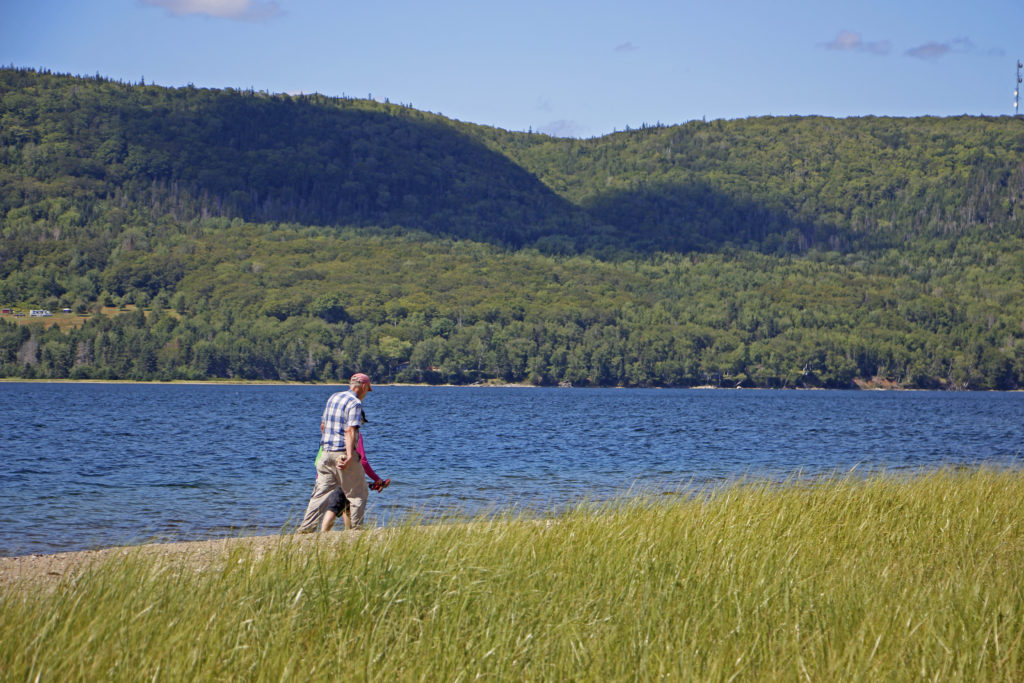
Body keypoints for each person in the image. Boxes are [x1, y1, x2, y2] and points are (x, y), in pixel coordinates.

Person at [297, 373, 376, 532]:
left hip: (326, 453)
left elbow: (323, 426)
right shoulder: (355, 403)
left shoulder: (333, 397)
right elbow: (350, 430)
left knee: (320, 494)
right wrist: (349, 456)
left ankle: (306, 528)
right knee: (358, 493)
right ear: (362, 387)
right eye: (367, 389)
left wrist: (325, 447)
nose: (366, 393)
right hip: (342, 453)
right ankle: (356, 530)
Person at [322, 411, 390, 531]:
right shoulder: (354, 434)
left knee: (346, 505)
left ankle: (350, 532)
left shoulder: (332, 435)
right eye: (361, 422)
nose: (361, 425)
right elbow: (362, 460)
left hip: (329, 472)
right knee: (336, 504)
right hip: (347, 474)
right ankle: (325, 532)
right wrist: (376, 479)